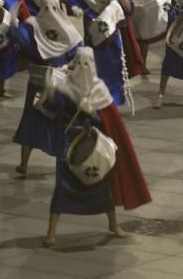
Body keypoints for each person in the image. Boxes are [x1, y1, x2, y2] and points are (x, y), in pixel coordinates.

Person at [41, 47, 151, 246]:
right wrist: (52, 90)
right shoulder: (64, 84)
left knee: (103, 185)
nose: (84, 68)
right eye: (80, 63)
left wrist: (92, 112)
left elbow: (108, 120)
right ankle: (51, 232)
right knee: (63, 186)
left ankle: (114, 224)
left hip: (93, 143)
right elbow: (51, 109)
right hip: (70, 143)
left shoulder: (99, 88)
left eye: (88, 64)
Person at [11, 0, 82, 175]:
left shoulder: (32, 26)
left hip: (38, 83)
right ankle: (64, 160)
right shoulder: (68, 29)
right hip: (60, 84)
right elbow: (78, 54)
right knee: (61, 121)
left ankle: (24, 164)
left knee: (31, 119)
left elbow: (21, 41)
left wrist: (13, 20)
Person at [66, 0, 134, 109]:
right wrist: (75, 7)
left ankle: (113, 101)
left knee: (113, 68)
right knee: (93, 69)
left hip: (111, 38)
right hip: (91, 38)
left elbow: (129, 9)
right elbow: (72, 1)